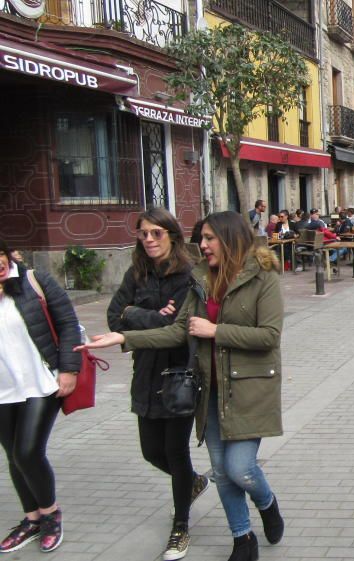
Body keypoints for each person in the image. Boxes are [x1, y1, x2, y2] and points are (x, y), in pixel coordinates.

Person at [79, 211, 286, 561]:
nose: (202, 246)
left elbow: (269, 336)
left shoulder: (262, 278)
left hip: (249, 391)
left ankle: (266, 503)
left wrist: (214, 330)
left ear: (230, 238)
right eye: (200, 239)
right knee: (220, 472)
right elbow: (177, 330)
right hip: (211, 391)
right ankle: (242, 538)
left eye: (208, 238)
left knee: (240, 468)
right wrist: (123, 336)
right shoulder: (202, 280)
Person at [105, 209, 207, 560]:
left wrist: (133, 316)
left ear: (173, 237)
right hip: (145, 372)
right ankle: (193, 482)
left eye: (156, 233)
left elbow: (178, 331)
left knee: (176, 453)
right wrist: (145, 315)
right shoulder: (137, 273)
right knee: (151, 451)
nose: (148, 240)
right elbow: (113, 316)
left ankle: (180, 526)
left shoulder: (187, 278)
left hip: (178, 375)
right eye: (143, 234)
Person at [0, 241, 81, 554]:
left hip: (41, 382)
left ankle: (50, 514)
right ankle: (31, 519)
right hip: (4, 389)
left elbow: (68, 324)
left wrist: (69, 369)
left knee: (28, 452)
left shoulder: (34, 281)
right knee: (13, 455)